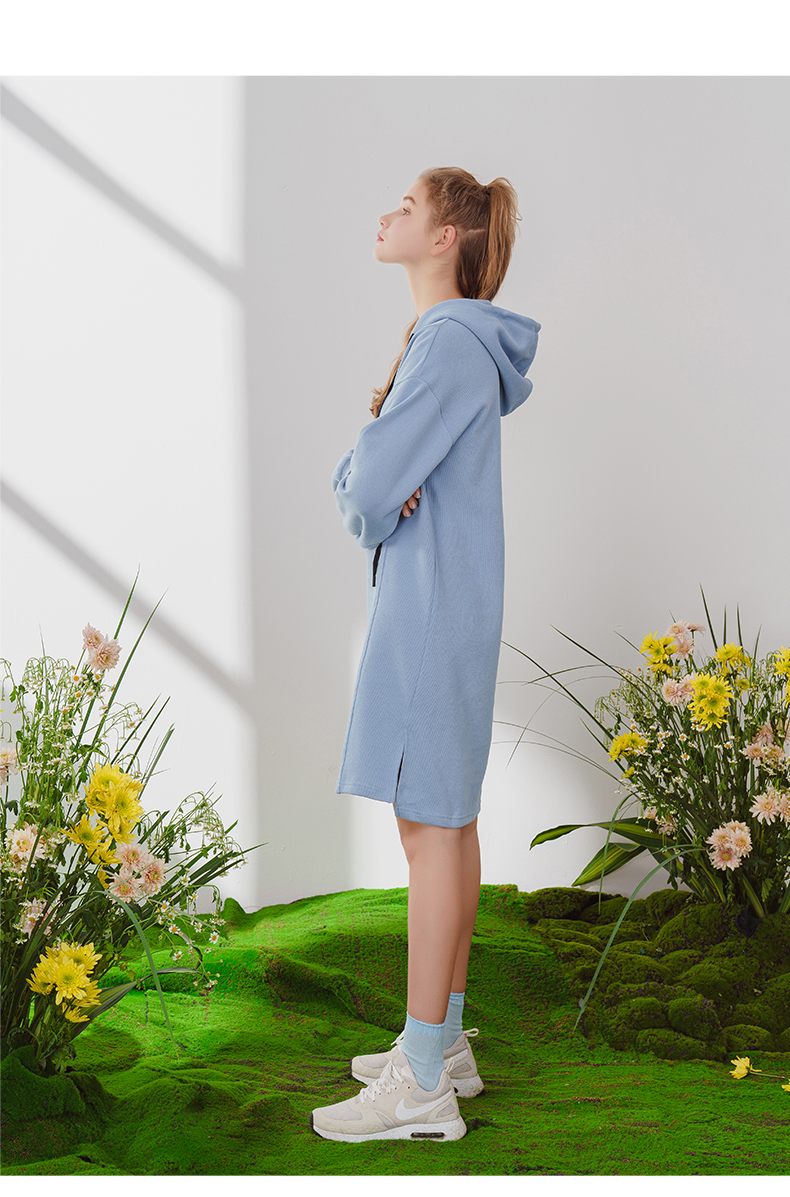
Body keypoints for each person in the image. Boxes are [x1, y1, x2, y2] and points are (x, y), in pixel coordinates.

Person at [311, 167, 540, 1143]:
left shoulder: (445, 340)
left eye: (405, 208)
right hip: (450, 604)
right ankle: (440, 1041)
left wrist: (361, 481)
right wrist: (374, 476)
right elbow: (382, 476)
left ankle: (419, 1083)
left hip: (429, 610)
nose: (386, 215)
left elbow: (369, 487)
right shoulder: (456, 341)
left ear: (445, 237)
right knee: (449, 820)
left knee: (429, 830)